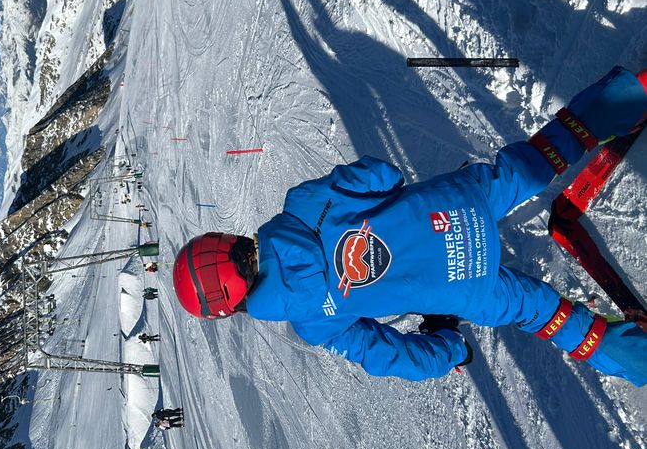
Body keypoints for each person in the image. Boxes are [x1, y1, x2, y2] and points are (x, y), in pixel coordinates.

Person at [172, 67, 647, 385]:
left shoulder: (313, 321)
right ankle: (627, 98)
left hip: (468, 289)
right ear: (228, 239)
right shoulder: (299, 206)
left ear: (232, 307)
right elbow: (383, 174)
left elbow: (389, 356)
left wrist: (449, 348)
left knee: (552, 319)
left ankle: (636, 356)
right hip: (459, 205)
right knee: (537, 161)